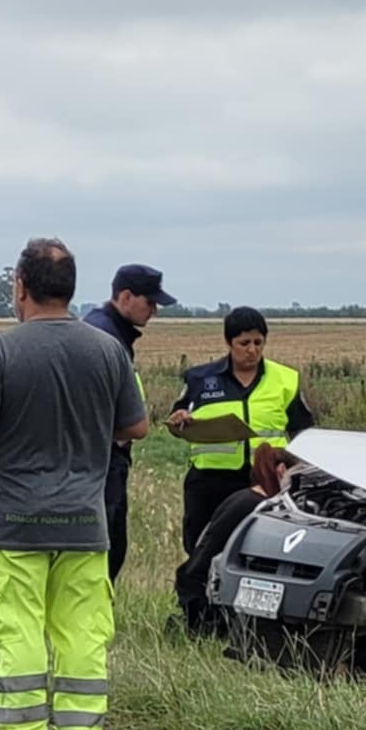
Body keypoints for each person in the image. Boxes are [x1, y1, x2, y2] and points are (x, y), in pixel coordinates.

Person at [0, 238, 147, 730]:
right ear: (72, 288)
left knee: (19, 633)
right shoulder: (108, 351)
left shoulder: (0, 352)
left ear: (20, 286)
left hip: (13, 521)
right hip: (85, 520)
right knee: (83, 633)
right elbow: (136, 426)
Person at [167, 306, 313, 554]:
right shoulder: (200, 380)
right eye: (244, 343)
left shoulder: (286, 379)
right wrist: (178, 420)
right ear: (228, 342)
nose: (252, 350)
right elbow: (177, 423)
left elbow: (304, 434)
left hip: (264, 482)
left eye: (258, 342)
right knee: (203, 551)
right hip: (210, 482)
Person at [82, 262, 175, 580]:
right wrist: (119, 433)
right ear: (124, 297)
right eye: (149, 302)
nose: (154, 311)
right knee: (102, 551)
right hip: (101, 460)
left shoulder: (107, 331)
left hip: (101, 458)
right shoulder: (105, 338)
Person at [172, 443, 293, 638]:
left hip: (199, 589)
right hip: (206, 599)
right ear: (282, 471)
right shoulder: (256, 507)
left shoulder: (245, 499)